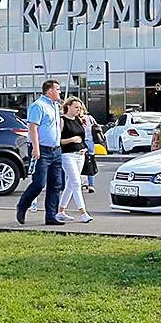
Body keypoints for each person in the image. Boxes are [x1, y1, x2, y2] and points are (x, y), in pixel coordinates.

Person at [15, 79, 66, 226]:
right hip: (41, 150)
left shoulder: (55, 106)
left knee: (56, 184)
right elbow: (33, 128)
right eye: (58, 89)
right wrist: (36, 148)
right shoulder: (38, 106)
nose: (60, 92)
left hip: (55, 150)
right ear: (49, 91)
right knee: (39, 183)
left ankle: (51, 215)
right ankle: (22, 206)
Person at [55, 97, 95, 223]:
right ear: (68, 107)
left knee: (70, 184)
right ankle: (83, 213)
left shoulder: (78, 120)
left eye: (79, 108)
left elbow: (82, 137)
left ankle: (60, 211)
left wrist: (83, 148)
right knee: (76, 183)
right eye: (76, 107)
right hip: (67, 155)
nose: (78, 110)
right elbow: (58, 140)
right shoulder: (62, 120)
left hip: (80, 154)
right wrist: (72, 140)